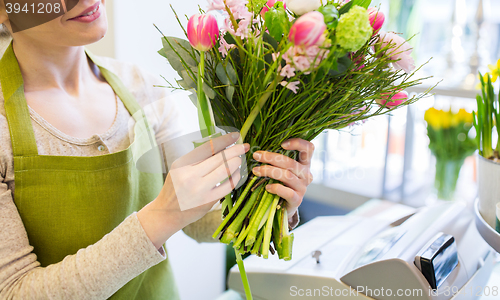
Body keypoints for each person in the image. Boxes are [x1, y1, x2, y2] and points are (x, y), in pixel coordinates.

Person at [0, 1, 315, 299]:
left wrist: (272, 200)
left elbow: (198, 220)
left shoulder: (141, 86)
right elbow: (15, 292)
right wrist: (162, 215)